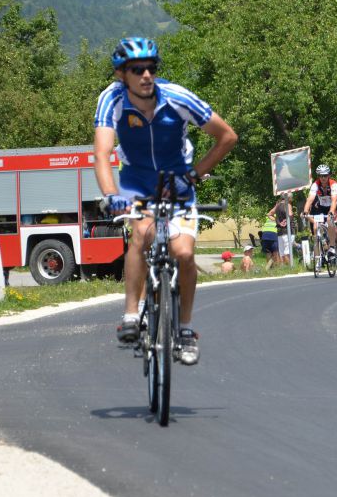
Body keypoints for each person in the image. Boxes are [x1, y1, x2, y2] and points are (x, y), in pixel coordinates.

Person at [94, 36, 238, 365]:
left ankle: (185, 329)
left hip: (177, 185)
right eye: (137, 69)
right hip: (136, 184)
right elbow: (102, 154)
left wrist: (196, 173)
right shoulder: (111, 99)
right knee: (141, 237)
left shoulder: (177, 97)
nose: (146, 75)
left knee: (184, 253)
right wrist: (112, 196)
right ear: (121, 74)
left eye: (151, 68)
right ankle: (132, 314)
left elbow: (227, 136)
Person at [301, 163, 337, 255]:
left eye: (325, 175)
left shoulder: (333, 184)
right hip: (321, 207)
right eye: (320, 176)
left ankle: (332, 247)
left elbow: (334, 201)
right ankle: (319, 254)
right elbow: (310, 199)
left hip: (332, 206)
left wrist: (331, 212)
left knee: (330, 221)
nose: (323, 178)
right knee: (315, 227)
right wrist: (305, 210)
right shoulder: (315, 185)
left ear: (329, 175)